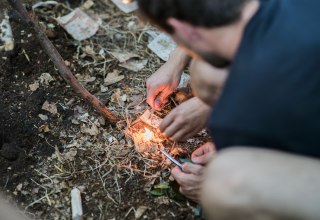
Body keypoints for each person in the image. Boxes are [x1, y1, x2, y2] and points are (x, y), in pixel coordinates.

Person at [138, 0, 320, 219]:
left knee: (224, 185)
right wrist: (175, 61)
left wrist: (207, 185)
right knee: (207, 73)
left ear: (182, 28)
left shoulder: (236, 117)